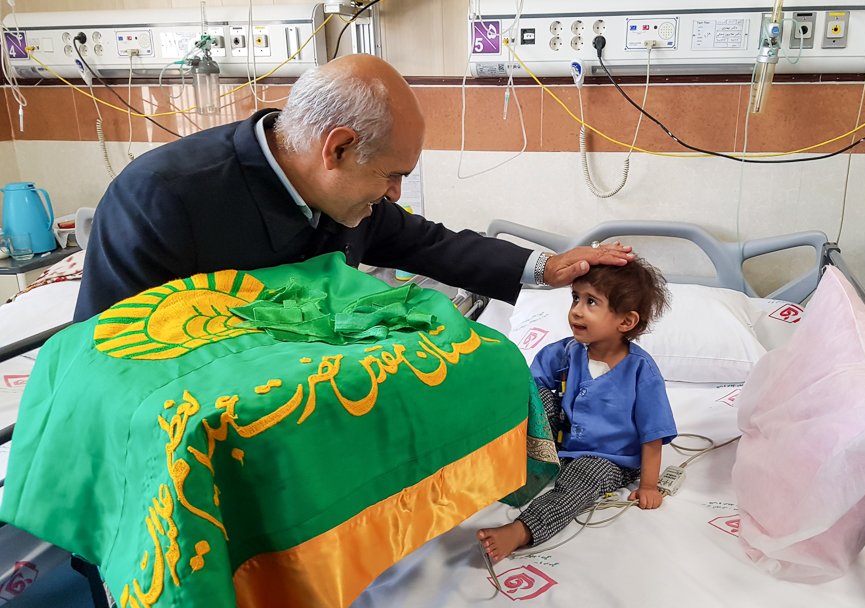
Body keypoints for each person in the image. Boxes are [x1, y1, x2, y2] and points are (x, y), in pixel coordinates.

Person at [74, 54, 633, 321]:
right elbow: (111, 350)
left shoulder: (340, 196)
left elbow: (429, 244)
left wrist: (546, 268)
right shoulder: (161, 198)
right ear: (337, 149)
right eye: (392, 175)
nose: (394, 195)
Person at [478, 258, 676, 562]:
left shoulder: (641, 373)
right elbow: (530, 389)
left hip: (609, 458)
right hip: (561, 443)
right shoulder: (566, 352)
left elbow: (653, 434)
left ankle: (522, 530)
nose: (576, 311)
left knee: (578, 484)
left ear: (626, 322)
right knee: (537, 397)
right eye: (575, 298)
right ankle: (504, 467)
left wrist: (649, 486)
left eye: (591, 302)